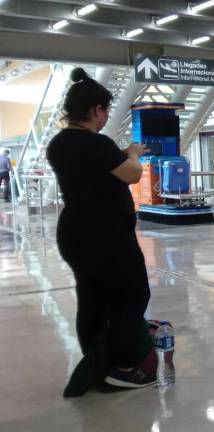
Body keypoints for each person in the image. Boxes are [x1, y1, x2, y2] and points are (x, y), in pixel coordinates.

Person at [47, 68, 158, 392]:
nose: (106, 117)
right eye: (105, 110)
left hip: (74, 232)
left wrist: (118, 157)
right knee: (132, 294)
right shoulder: (96, 143)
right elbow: (133, 175)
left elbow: (94, 171)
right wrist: (134, 155)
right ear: (96, 109)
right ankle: (123, 367)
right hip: (106, 234)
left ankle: (98, 360)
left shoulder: (58, 144)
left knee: (92, 297)